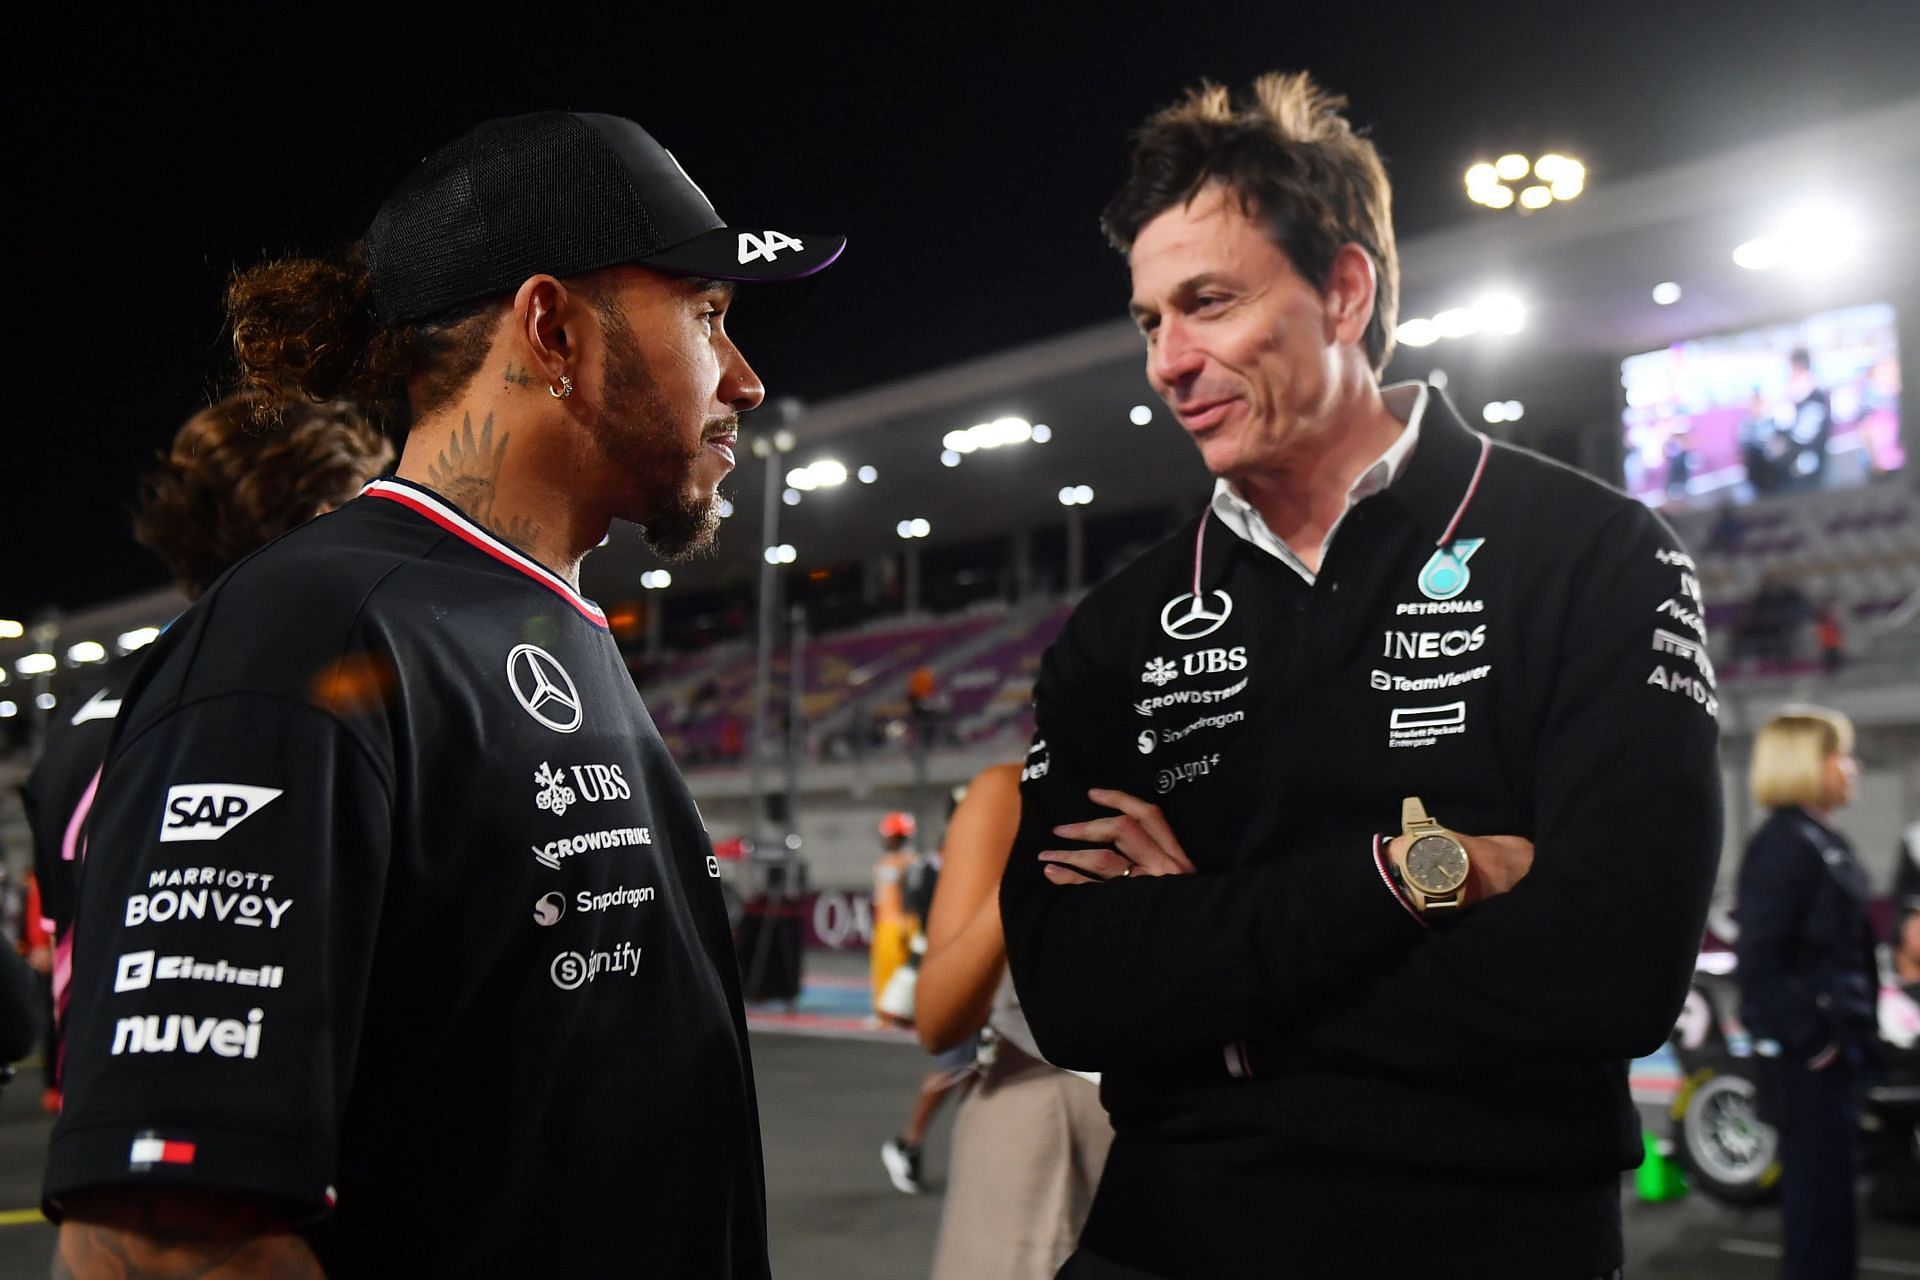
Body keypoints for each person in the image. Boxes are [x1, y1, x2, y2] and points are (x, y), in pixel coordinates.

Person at [45, 111, 843, 1278]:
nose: (746, 378)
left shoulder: (530, 620)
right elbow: (157, 1239)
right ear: (552, 326)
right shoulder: (314, 632)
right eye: (707, 314)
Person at [999, 72, 1721, 1278]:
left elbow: (1611, 971)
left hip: (1490, 1240)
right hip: (1166, 1236)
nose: (1169, 362)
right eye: (1149, 320)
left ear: (1343, 290)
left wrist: (1212, 994)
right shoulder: (1120, 630)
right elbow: (1075, 991)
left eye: (1210, 303)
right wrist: (1414, 871)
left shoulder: (1596, 554)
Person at [20, 392, 392, 1117]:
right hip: (242, 1141)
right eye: (367, 510)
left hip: (110, 1118)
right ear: (323, 519)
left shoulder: (87, 717)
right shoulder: (265, 702)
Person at [920, 762, 1112, 1278]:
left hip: (1218, 1115)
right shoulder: (1012, 789)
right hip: (1051, 1100)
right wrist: (1033, 858)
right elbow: (938, 1019)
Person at [1734, 708, 1875, 1280]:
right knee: (1818, 1225)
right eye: (1838, 754)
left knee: (1834, 1217)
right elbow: (1761, 964)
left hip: (1833, 1058)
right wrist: (1817, 1044)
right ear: (1806, 764)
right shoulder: (1785, 845)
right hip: (1809, 1067)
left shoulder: (1817, 838)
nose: (1852, 766)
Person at [877, 808, 977, 1195]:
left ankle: (958, 1149)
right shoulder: (932, 872)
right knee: (957, 1064)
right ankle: (908, 1143)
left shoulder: (925, 869)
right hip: (950, 972)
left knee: (976, 1069)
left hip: (958, 970)